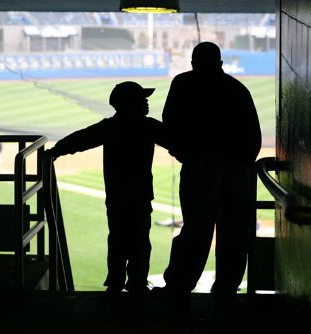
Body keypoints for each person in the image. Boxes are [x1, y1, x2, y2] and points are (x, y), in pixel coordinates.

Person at [154, 41, 262, 300]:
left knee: (196, 228)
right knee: (234, 230)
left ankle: (179, 285)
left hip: (200, 165)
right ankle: (226, 288)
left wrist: (184, 154)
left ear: (193, 63)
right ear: (221, 64)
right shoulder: (237, 88)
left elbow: (171, 123)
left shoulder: (183, 83)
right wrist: (243, 166)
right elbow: (253, 136)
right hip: (238, 168)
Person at [46, 81, 172, 295]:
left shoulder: (112, 126)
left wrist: (56, 151)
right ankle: (136, 284)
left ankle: (115, 284)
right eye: (142, 99)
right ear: (131, 103)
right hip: (140, 196)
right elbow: (178, 142)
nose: (146, 102)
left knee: (117, 239)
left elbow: (81, 138)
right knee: (140, 242)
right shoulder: (147, 125)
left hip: (116, 196)